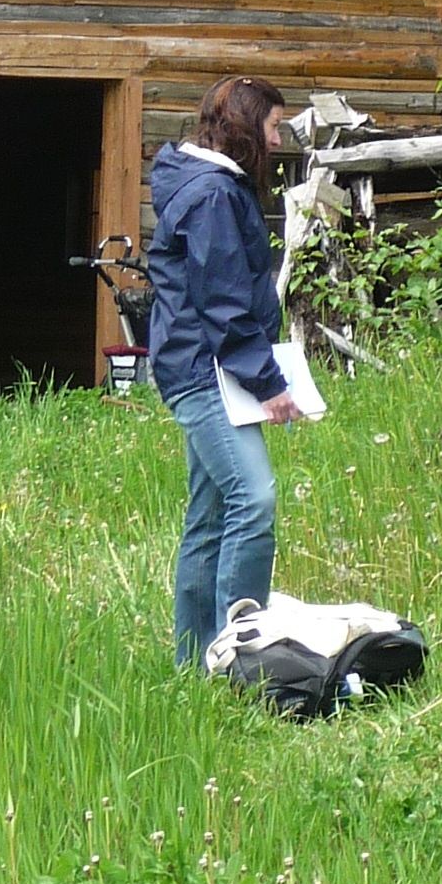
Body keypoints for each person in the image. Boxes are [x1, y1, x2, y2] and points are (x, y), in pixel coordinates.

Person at [148, 76, 302, 666]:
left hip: (203, 366)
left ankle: (193, 665)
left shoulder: (211, 186)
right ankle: (241, 661)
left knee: (210, 515)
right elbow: (223, 301)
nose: (278, 137)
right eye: (272, 126)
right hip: (207, 371)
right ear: (244, 130)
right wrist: (269, 383)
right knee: (253, 499)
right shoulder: (213, 194)